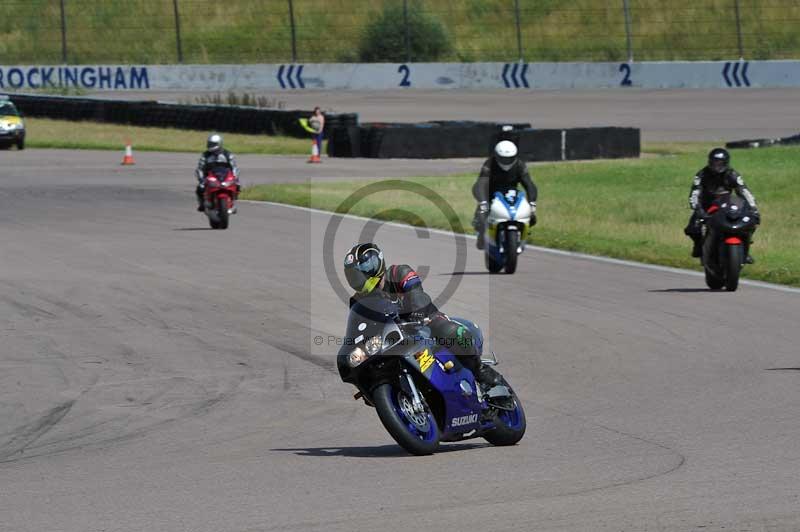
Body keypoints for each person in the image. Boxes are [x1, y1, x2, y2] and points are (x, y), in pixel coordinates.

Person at [342, 243, 500, 387]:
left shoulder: (399, 272)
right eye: (354, 276)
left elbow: (418, 294)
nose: (360, 279)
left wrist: (418, 311)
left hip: (426, 322)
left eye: (362, 272)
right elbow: (359, 326)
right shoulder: (357, 301)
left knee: (450, 331)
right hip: (393, 340)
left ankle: (480, 370)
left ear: (377, 264)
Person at [684, 147, 760, 262]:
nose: (716, 166)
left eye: (720, 163)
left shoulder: (733, 174)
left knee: (750, 222)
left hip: (726, 205)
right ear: (709, 162)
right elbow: (694, 193)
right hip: (706, 205)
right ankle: (699, 246)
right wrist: (698, 210)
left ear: (726, 163)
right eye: (714, 162)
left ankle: (745, 251)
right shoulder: (701, 174)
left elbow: (744, 191)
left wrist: (753, 208)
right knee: (692, 229)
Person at [472, 140, 538, 250]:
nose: (506, 161)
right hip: (490, 192)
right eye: (503, 158)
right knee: (482, 215)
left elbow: (529, 185)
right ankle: (481, 234)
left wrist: (532, 203)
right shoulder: (490, 164)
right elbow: (481, 183)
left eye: (509, 158)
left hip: (511, 193)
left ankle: (523, 235)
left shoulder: (519, 165)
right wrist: (483, 202)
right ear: (497, 156)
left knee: (532, 218)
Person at [195, 133, 240, 211]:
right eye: (209, 143)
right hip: (209, 175)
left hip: (224, 175)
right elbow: (200, 169)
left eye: (212, 144)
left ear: (219, 144)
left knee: (238, 186)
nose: (210, 145)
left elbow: (234, 167)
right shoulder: (205, 155)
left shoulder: (227, 154)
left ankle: (232, 202)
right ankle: (202, 204)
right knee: (199, 188)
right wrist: (201, 180)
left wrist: (235, 177)